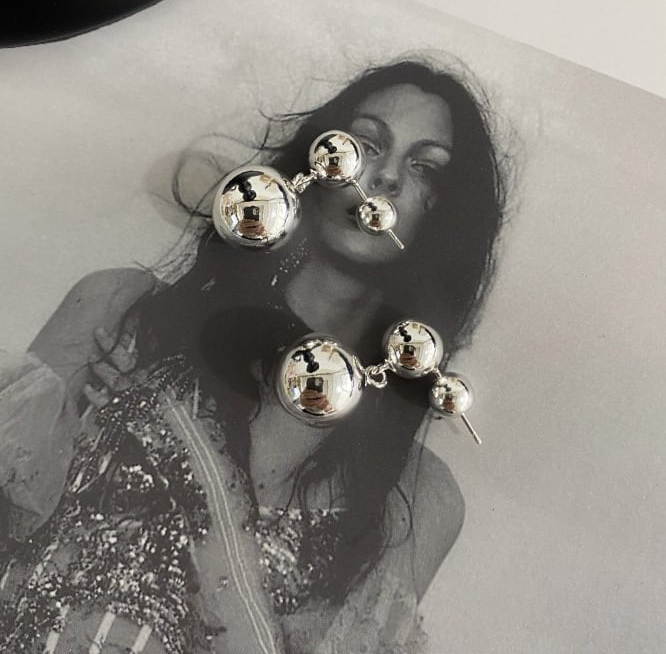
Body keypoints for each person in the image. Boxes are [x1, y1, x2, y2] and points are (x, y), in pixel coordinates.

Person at [0, 59, 507, 653]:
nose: (385, 176)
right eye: (365, 144)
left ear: (446, 216)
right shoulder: (120, 318)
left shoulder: (417, 498)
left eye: (425, 168)